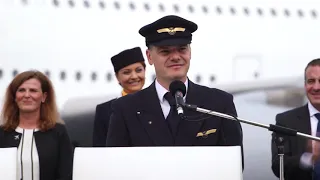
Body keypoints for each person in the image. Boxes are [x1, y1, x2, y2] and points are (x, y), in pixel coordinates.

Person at [106, 15, 244, 168]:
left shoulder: (219, 103)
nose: (176, 57)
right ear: (149, 57)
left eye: (182, 49)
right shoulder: (126, 109)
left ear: (190, 52)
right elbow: (115, 168)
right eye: (165, 52)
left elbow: (233, 167)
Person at [0, 70, 73, 180]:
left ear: (44, 97)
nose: (27, 95)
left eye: (33, 91)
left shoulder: (58, 133)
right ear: (14, 97)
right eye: (21, 90)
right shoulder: (2, 133)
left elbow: (66, 174)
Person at [271, 59, 320, 180]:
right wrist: (308, 157)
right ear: (305, 85)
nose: (316, 87)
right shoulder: (285, 121)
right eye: (311, 81)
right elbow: (278, 166)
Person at [92, 47, 146, 147]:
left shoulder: (157, 104)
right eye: (127, 72)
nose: (134, 76)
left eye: (139, 70)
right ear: (117, 77)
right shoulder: (105, 110)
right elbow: (99, 151)